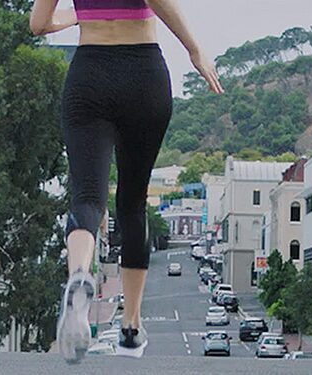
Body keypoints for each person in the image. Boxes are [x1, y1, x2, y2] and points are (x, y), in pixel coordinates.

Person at [29, 0, 224, 364]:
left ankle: (79, 276)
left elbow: (38, 24)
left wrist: (80, 14)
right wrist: (195, 49)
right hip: (143, 74)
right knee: (133, 202)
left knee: (87, 196)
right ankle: (131, 326)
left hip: (89, 74)